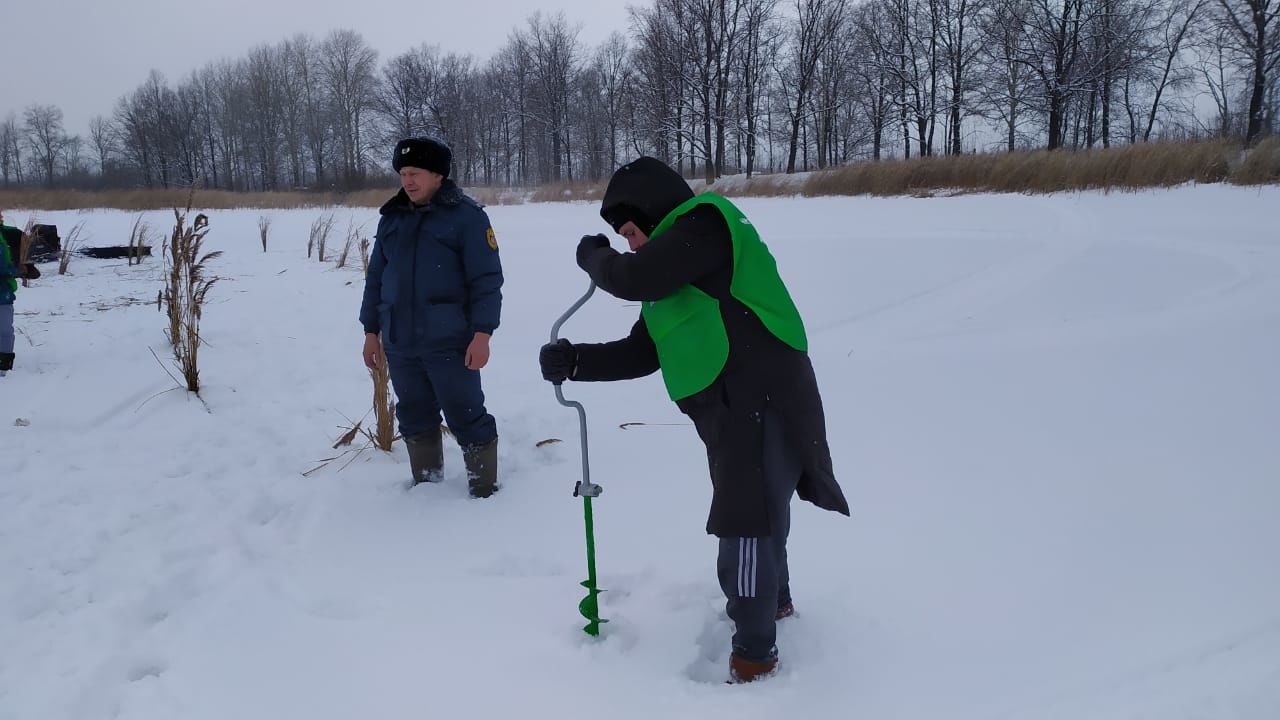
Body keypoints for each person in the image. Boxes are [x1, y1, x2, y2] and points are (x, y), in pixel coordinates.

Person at [539, 157, 849, 683]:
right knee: (760, 514)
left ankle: (754, 657)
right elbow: (643, 352)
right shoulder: (672, 273)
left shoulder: (705, 223)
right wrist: (576, 361)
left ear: (656, 215)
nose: (631, 244)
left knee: (746, 523)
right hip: (734, 411)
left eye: (633, 232)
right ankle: (773, 606)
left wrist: (595, 257)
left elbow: (634, 275)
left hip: (763, 399)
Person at [359, 137, 504, 497]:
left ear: (438, 175)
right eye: (403, 173)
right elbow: (377, 277)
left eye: (415, 173)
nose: (408, 181)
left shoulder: (467, 217)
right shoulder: (392, 218)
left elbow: (486, 280)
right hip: (400, 340)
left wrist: (483, 333)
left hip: (450, 341)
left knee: (466, 414)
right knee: (413, 415)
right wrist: (371, 331)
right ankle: (426, 486)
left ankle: (484, 491)